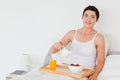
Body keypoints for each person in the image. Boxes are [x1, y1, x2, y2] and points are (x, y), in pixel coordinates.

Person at [50, 5, 105, 80]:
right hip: (69, 71)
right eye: (86, 15)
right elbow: (54, 51)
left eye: (92, 17)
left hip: (84, 73)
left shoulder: (99, 38)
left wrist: (95, 75)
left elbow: (101, 61)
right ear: (82, 17)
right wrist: (55, 47)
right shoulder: (72, 33)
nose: (88, 19)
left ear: (97, 20)